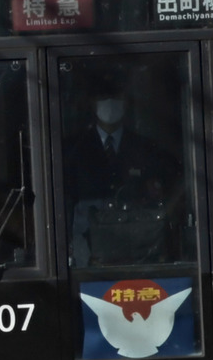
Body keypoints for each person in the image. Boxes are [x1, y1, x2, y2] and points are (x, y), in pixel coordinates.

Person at [63, 86, 177, 267]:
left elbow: (159, 193)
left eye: (115, 97)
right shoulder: (73, 148)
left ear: (126, 102)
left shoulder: (144, 147)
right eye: (103, 97)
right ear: (92, 102)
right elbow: (66, 198)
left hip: (135, 243)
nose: (110, 103)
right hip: (86, 244)